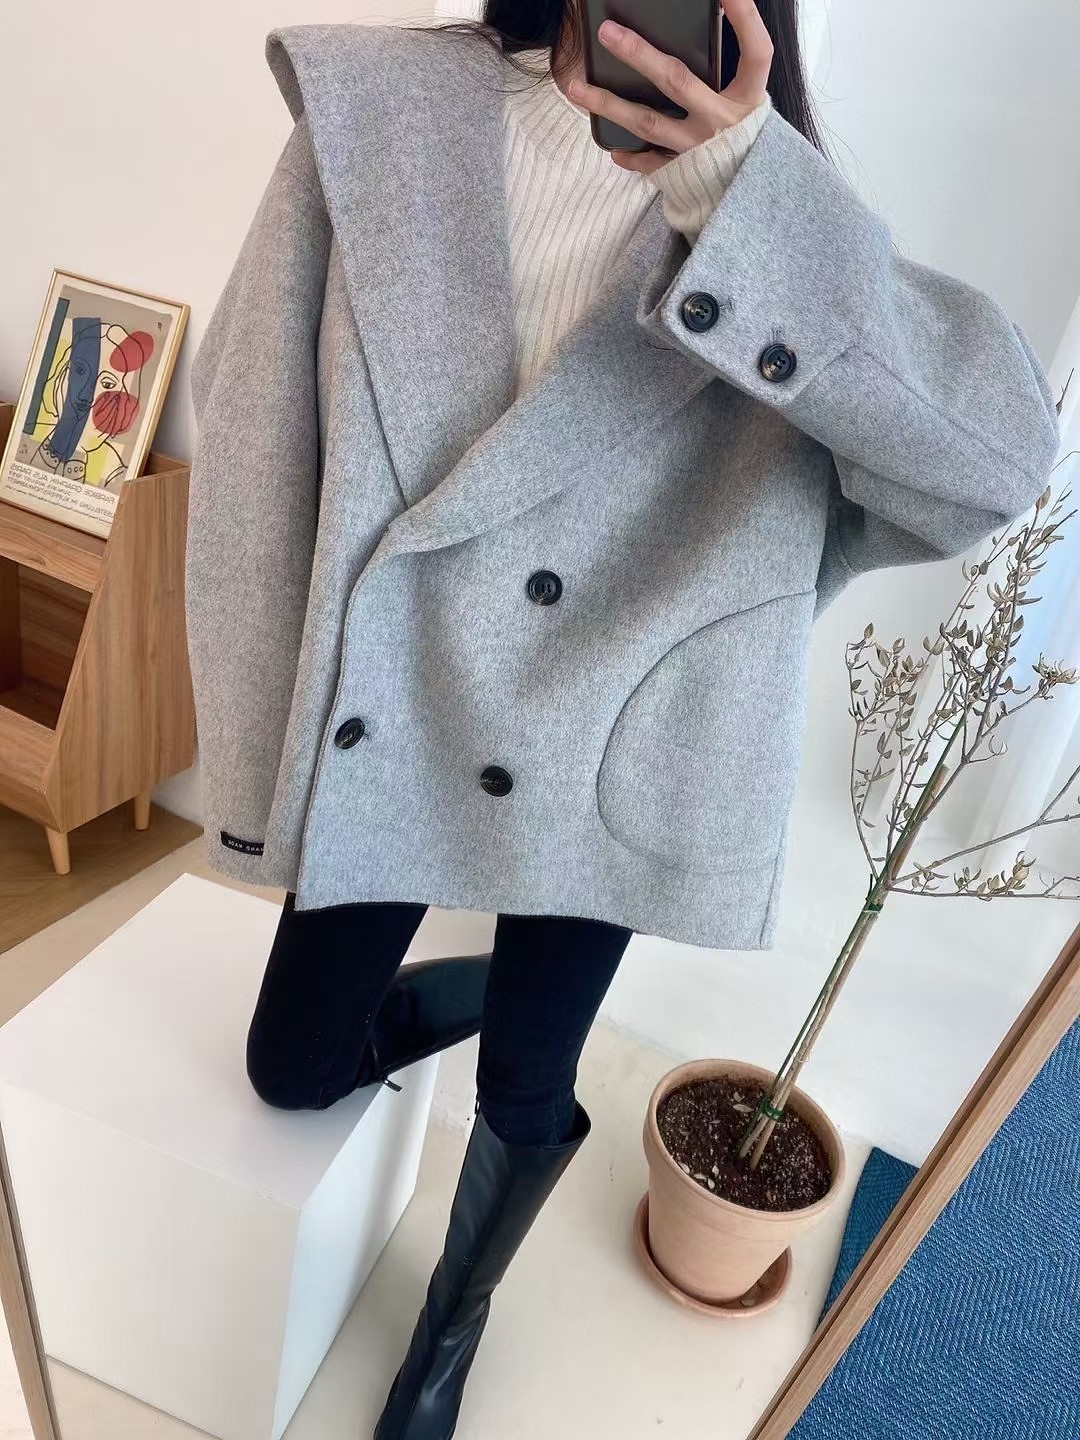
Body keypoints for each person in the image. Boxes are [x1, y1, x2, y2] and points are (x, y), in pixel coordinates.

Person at [184, 3, 1060, 1436]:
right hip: (396, 708)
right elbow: (254, 431)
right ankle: (472, 994)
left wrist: (744, 195)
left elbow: (991, 466)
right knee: (289, 1069)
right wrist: (250, 740)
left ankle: (449, 1330)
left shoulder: (774, 200)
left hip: (612, 735)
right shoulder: (376, 107)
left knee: (526, 1087)